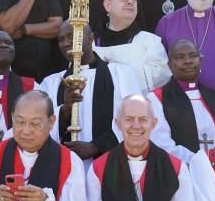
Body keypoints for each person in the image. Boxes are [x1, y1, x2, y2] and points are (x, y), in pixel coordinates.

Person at [42, 21, 143, 162]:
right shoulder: (51, 83)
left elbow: (136, 118)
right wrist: (65, 109)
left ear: (90, 38)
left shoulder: (121, 74)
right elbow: (41, 127)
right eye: (61, 39)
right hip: (67, 167)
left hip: (111, 165)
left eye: (71, 36)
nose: (65, 43)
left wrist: (97, 146)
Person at [148, 39, 215, 163]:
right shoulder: (156, 98)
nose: (188, 61)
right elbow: (160, 142)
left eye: (193, 56)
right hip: (180, 172)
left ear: (200, 61)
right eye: (180, 57)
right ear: (169, 65)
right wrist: (199, 162)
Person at [92, 0, 170, 92]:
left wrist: (123, 70)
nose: (130, 2)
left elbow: (163, 74)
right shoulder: (90, 44)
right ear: (107, 5)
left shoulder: (150, 42)